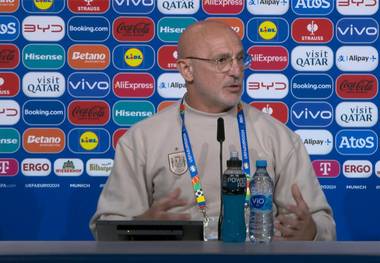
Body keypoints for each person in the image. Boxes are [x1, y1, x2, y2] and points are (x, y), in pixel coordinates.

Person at [90, 20, 336, 241]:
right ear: (187, 70)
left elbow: (322, 223)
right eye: (221, 60)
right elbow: (107, 228)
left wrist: (311, 231)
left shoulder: (279, 137)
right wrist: (140, 226)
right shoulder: (143, 138)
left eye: (240, 59)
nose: (236, 70)